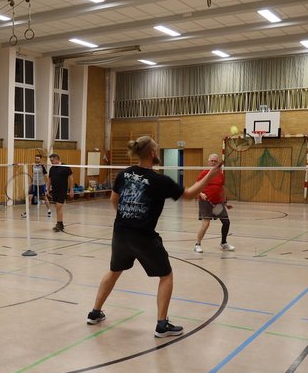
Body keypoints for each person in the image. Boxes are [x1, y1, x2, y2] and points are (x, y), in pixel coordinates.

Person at [86, 136, 222, 337]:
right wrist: (210, 176)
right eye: (156, 149)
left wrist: (127, 217)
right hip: (143, 237)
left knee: (114, 270)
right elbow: (189, 195)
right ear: (151, 153)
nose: (157, 152)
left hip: (120, 233)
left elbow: (114, 201)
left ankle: (94, 313)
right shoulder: (160, 180)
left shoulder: (124, 174)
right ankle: (161, 325)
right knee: (166, 275)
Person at [193, 153, 235, 253]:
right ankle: (197, 244)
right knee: (206, 224)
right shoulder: (204, 173)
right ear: (208, 162)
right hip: (206, 202)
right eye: (211, 161)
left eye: (215, 161)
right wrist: (200, 193)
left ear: (217, 163)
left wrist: (225, 202)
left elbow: (222, 189)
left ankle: (224, 243)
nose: (213, 162)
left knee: (226, 222)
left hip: (218, 203)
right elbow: (196, 186)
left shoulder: (220, 174)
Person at [48, 153, 73, 232]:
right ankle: (60, 223)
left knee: (59, 206)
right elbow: (49, 180)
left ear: (56, 159)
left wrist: (71, 189)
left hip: (62, 190)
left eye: (52, 160)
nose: (51, 162)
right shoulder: (52, 168)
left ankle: (59, 224)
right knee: (57, 207)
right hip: (54, 190)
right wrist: (47, 189)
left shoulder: (65, 167)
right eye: (50, 161)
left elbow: (71, 178)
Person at [21, 153, 50, 218]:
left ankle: (49, 211)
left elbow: (46, 176)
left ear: (40, 159)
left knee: (45, 198)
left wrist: (47, 186)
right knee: (30, 198)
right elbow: (33, 174)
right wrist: (31, 183)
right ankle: (26, 212)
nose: (36, 160)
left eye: (38, 159)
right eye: (36, 158)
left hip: (41, 184)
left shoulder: (43, 166)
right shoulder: (33, 165)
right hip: (34, 184)